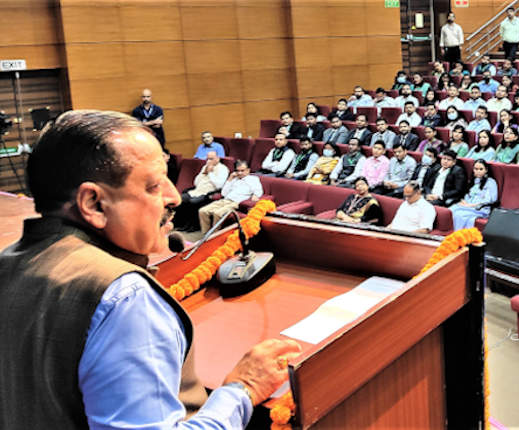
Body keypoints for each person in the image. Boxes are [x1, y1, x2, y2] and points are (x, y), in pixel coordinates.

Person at [2, 110, 300, 429]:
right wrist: (242, 390)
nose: (173, 197)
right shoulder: (125, 298)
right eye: (154, 185)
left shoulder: (9, 263)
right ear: (94, 204)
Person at [199, 159, 263, 233]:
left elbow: (258, 191)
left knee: (217, 213)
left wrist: (255, 195)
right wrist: (230, 179)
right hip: (225, 200)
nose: (239, 173)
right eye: (237, 171)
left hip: (236, 203)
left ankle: (213, 236)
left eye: (242, 170)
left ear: (248, 170)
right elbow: (223, 193)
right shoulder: (234, 179)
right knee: (202, 211)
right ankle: (205, 234)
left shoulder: (253, 179)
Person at [174, 150, 229, 231]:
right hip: (196, 191)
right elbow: (196, 182)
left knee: (192, 202)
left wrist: (210, 173)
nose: (208, 161)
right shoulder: (205, 167)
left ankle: (193, 226)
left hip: (209, 193)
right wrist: (204, 173)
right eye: (207, 159)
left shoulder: (223, 169)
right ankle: (183, 224)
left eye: (211, 159)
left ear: (217, 158)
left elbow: (219, 185)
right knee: (181, 199)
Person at [450, 159, 499, 230]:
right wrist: (464, 201)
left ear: (486, 170)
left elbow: (489, 200)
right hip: (469, 206)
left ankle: (459, 234)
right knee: (451, 209)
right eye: (476, 169)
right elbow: (468, 195)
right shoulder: (473, 181)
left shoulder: (491, 182)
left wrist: (471, 205)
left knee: (459, 215)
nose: (478, 171)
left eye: (481, 169)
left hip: (481, 208)